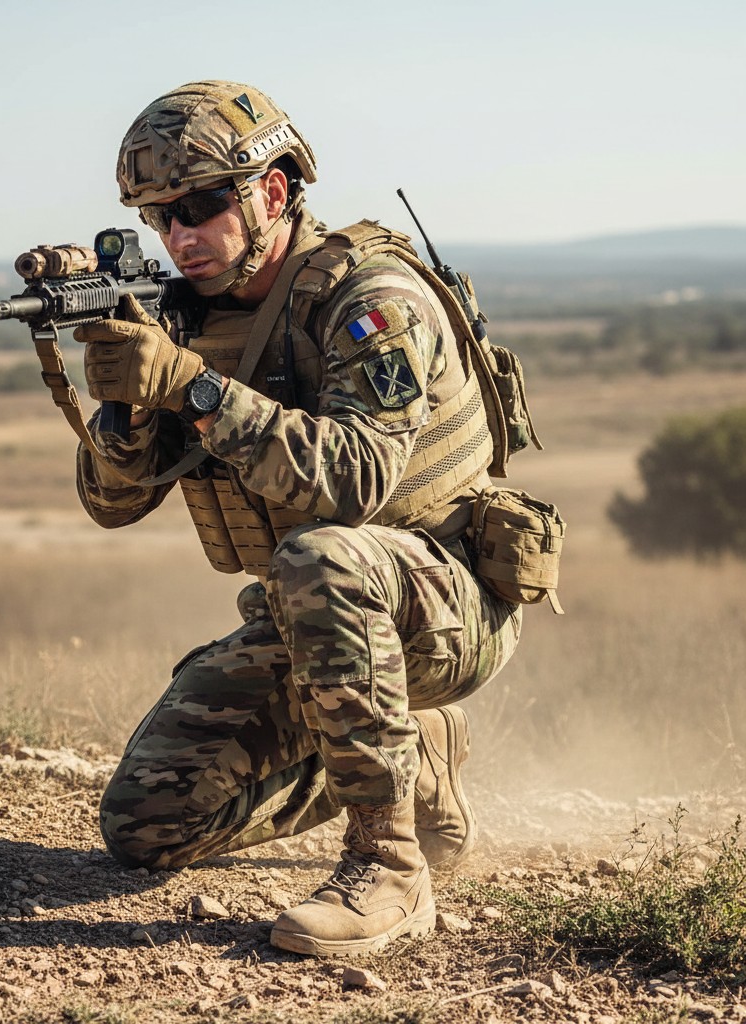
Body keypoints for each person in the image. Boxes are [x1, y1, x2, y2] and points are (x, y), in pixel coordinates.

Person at [71, 80, 524, 957]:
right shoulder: (194, 317)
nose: (178, 237)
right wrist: (127, 406)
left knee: (323, 557)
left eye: (199, 206)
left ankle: (388, 867)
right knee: (145, 822)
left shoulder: (373, 301)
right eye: (158, 217)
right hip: (322, 626)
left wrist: (188, 386)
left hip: (446, 603)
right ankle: (411, 749)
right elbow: (110, 504)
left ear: (272, 192)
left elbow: (354, 483)